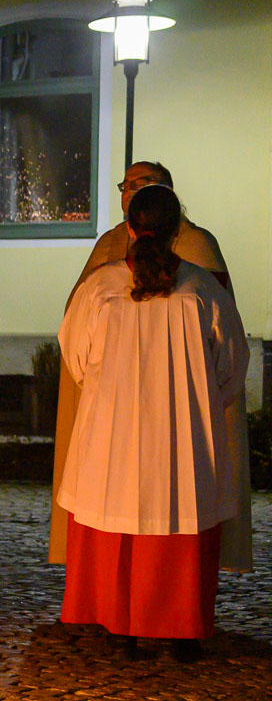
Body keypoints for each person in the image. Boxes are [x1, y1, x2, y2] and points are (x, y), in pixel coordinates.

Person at [57, 185, 247, 662]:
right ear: (176, 231)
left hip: (112, 434)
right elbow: (231, 366)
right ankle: (182, 633)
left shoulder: (100, 288)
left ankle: (121, 628)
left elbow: (75, 356)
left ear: (130, 228)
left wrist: (110, 398)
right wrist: (193, 404)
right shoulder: (202, 289)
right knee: (181, 515)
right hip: (182, 437)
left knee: (116, 514)